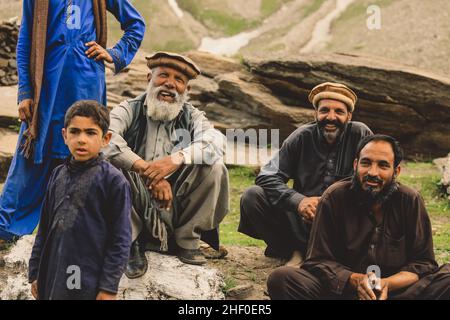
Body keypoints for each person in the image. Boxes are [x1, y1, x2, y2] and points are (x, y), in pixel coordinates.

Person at [0, 0, 145, 241]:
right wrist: (25, 91)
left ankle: (71, 227)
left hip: (85, 82)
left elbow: (135, 23)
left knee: (80, 150)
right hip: (45, 85)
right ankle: (6, 229)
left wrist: (114, 53)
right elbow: (26, 40)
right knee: (33, 149)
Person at [268, 135, 450, 300]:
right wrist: (356, 281)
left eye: (383, 165)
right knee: (282, 278)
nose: (372, 172)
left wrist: (386, 284)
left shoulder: (410, 200)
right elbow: (317, 260)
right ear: (355, 165)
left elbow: (424, 263)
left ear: (396, 171)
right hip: (344, 292)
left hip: (398, 293)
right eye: (366, 163)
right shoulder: (333, 197)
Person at [103, 52, 229, 277]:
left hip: (175, 203)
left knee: (215, 167)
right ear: (149, 78)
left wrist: (175, 160)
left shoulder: (192, 116)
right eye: (163, 76)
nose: (170, 84)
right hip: (133, 198)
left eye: (179, 80)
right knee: (109, 165)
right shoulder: (128, 109)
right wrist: (147, 170)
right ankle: (130, 241)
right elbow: (107, 139)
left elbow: (216, 141)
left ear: (186, 91)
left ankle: (187, 241)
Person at [239, 82, 373, 266]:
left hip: (344, 220)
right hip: (302, 219)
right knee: (252, 196)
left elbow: (375, 177)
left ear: (349, 116)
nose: (331, 117)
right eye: (324, 110)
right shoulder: (301, 136)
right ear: (315, 114)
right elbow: (266, 176)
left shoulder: (361, 134)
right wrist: (299, 201)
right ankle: (292, 251)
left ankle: (315, 255)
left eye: (339, 112)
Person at [29, 100, 132, 300]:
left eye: (91, 133)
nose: (81, 140)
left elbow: (121, 238)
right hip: (53, 270)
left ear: (106, 138)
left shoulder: (113, 181)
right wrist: (35, 272)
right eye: (75, 132)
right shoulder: (58, 175)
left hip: (86, 275)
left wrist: (108, 286)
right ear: (64, 135)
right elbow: (44, 228)